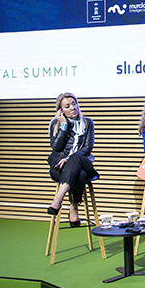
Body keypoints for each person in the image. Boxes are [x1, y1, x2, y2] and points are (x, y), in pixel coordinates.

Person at [46, 92, 97, 227]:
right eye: (67, 106)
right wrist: (63, 126)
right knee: (80, 174)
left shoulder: (87, 123)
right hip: (61, 167)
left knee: (77, 158)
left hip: (84, 162)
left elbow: (87, 148)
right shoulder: (55, 124)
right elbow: (56, 148)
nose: (73, 108)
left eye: (74, 104)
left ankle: (58, 199)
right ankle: (74, 208)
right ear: (60, 110)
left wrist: (68, 158)